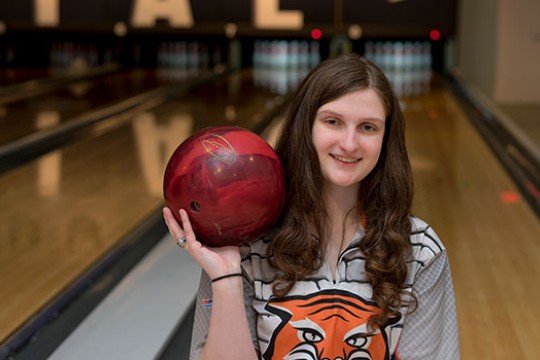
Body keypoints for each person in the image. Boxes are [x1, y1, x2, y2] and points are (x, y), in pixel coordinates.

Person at [163, 53, 460, 360]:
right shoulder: (248, 245)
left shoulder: (421, 251)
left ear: (386, 139)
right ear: (306, 127)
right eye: (333, 121)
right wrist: (226, 277)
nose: (348, 143)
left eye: (368, 128)